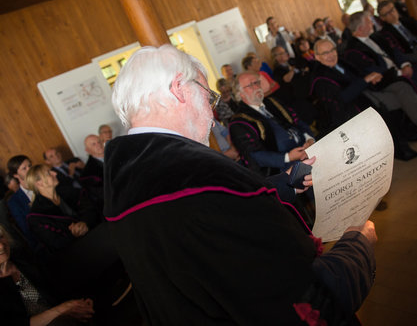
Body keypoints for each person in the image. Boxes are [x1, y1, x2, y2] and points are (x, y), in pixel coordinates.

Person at [104, 44, 377, 326]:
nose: (211, 114)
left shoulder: (125, 176)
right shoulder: (203, 174)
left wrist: (283, 184)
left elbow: (219, 218)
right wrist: (357, 247)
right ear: (178, 88)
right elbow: (296, 296)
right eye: (207, 95)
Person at [0, 224, 95, 325]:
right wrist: (62, 309)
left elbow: (57, 282)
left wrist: (80, 302)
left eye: (1, 237)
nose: (1, 245)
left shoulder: (22, 258)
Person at [230, 71, 315, 176]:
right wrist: (288, 157)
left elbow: (297, 121)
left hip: (308, 150)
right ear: (240, 94)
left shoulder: (273, 102)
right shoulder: (238, 123)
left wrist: (309, 139)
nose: (256, 87)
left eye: (257, 82)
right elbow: (255, 155)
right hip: (282, 169)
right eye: (250, 85)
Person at [26, 165, 99, 253]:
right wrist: (74, 234)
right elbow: (54, 243)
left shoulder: (69, 191)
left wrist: (84, 222)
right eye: (49, 173)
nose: (55, 173)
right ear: (39, 183)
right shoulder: (36, 216)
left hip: (94, 234)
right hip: (73, 253)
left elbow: (90, 208)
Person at [6, 155, 37, 248]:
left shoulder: (44, 183)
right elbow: (26, 229)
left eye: (30, 166)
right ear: (15, 175)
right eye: (24, 168)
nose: (30, 169)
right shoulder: (14, 201)